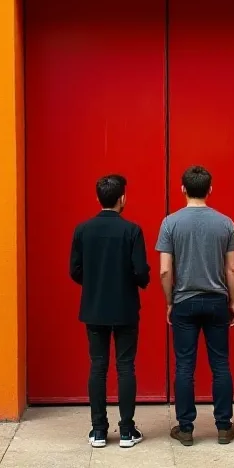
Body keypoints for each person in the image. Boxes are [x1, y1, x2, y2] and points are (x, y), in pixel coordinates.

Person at [156, 165, 234, 446]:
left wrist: (170, 301)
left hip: (184, 301)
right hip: (217, 301)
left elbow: (165, 271)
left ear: (183, 189)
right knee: (220, 364)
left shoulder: (170, 223)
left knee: (184, 366)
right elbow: (233, 269)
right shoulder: (226, 223)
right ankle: (224, 427)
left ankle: (186, 428)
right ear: (210, 189)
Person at [70, 174, 150, 449]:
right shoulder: (132, 230)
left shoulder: (82, 230)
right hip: (125, 307)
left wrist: (94, 284)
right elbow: (141, 271)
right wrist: (137, 281)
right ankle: (127, 431)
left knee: (98, 366)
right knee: (126, 366)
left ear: (98, 198)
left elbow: (75, 270)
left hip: (94, 308)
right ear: (122, 199)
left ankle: (99, 431)